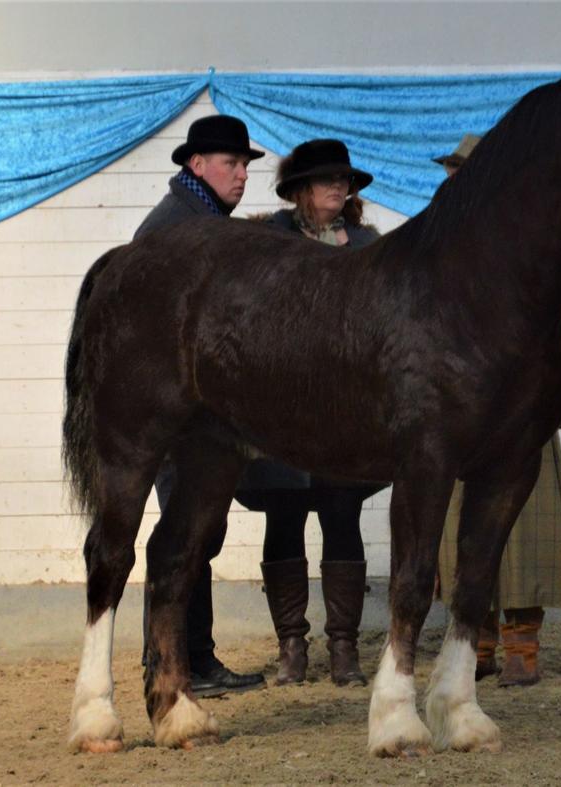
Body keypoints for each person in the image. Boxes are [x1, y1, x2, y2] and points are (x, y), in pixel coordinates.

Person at [433, 133, 561, 687]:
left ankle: (522, 639)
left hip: (518, 399)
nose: (451, 182)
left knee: (524, 525)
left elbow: (546, 320)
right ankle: (480, 638)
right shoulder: (443, 240)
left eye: (460, 173)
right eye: (451, 173)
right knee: (461, 524)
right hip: (462, 401)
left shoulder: (527, 240)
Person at [236, 138, 381, 687]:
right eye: (328, 180)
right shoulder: (267, 239)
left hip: (347, 408)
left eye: (345, 181)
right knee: (285, 512)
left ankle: (344, 649)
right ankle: (291, 648)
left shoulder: (366, 243)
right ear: (300, 190)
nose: (339, 188)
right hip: (282, 407)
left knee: (342, 513)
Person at [135, 114, 268, 697]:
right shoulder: (181, 229)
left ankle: (195, 658)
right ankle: (172, 662)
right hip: (174, 409)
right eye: (231, 164)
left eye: (244, 166)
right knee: (184, 536)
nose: (242, 175)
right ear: (197, 166)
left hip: (187, 407)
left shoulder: (197, 220)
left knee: (194, 532)